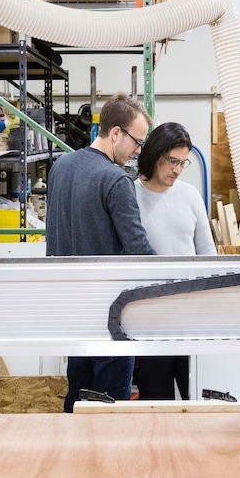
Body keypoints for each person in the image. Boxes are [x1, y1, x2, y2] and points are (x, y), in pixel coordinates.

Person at [46, 92, 155, 412]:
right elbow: (138, 249)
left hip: (72, 309)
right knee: (110, 412)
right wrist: (175, 275)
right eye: (137, 141)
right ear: (116, 133)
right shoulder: (116, 180)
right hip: (110, 316)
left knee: (77, 400)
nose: (138, 150)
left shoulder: (61, 167)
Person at [132, 121, 216, 401]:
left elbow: (208, 256)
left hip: (191, 317)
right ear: (155, 155)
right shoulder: (131, 196)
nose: (178, 170)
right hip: (149, 320)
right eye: (172, 162)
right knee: (155, 402)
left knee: (199, 396)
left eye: (183, 163)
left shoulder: (190, 196)